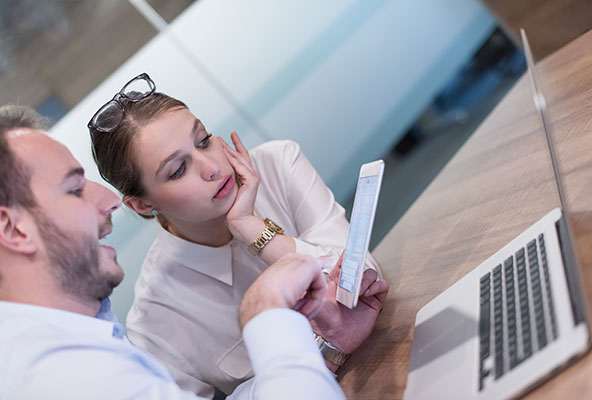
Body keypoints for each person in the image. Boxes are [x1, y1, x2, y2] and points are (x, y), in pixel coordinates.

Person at [0, 104, 386, 399]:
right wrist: (267, 321)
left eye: (203, 140)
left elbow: (362, 284)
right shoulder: (131, 336)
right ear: (143, 205)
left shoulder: (85, 334)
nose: (212, 168)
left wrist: (257, 233)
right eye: (74, 189)